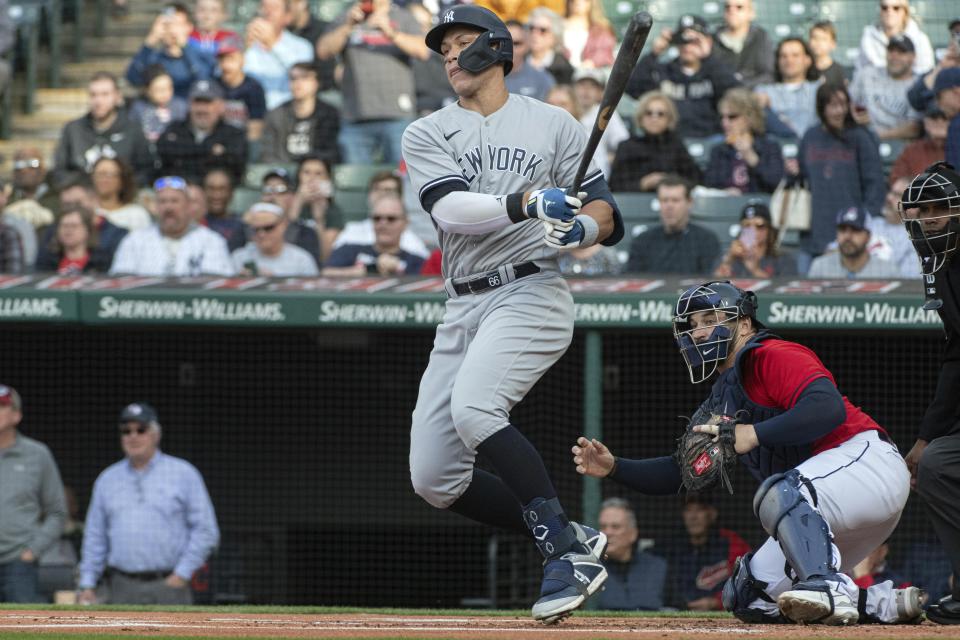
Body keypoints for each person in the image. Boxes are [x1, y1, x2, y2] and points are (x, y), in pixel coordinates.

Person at [402, 5, 623, 623]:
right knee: (435, 477)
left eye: (463, 41)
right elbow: (450, 209)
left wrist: (579, 226)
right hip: (462, 301)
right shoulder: (427, 131)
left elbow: (608, 212)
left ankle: (563, 555)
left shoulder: (553, 124)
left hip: (530, 292)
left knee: (476, 409)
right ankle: (572, 534)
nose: (450, 54)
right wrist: (527, 201)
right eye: (442, 45)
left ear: (498, 49)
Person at [571, 281, 923, 625]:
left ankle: (827, 585)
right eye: (692, 326)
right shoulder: (721, 399)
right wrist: (615, 467)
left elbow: (826, 408)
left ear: (743, 323)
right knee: (746, 595)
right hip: (825, 517)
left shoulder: (771, 354)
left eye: (710, 320)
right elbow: (684, 472)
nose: (699, 332)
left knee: (778, 490)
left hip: (868, 467)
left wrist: (751, 433)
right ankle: (877, 602)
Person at [77, 402, 220, 605]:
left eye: (140, 429)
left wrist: (182, 574)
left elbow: (206, 531)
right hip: (121, 587)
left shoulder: (183, 473)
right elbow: (95, 536)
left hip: (169, 586)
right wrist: (87, 583)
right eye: (126, 431)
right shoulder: (107, 479)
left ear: (156, 434)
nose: (133, 436)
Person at [898, 162, 960, 624]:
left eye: (941, 208)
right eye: (922, 210)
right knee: (937, 466)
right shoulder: (938, 263)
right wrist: (926, 436)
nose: (931, 218)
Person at [789, 83, 885, 274]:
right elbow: (802, 179)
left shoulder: (860, 137)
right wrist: (792, 172)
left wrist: (863, 225)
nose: (839, 111)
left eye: (843, 104)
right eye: (832, 105)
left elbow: (875, 183)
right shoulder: (810, 137)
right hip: (813, 233)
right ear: (821, 107)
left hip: (851, 233)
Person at [317, 0, 428, 164]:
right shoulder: (347, 16)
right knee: (357, 183)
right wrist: (348, 26)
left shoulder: (402, 16)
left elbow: (423, 51)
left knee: (404, 179)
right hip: (356, 116)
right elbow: (323, 51)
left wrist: (391, 33)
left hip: (397, 115)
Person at [0, 385, 67, 603]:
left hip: (18, 564)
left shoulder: (37, 455)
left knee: (22, 633)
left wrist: (32, 551)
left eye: (2, 406)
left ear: (16, 415)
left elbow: (57, 512)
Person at [626, 14, 740, 138]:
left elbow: (735, 94)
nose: (687, 46)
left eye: (695, 41)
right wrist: (654, 53)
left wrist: (708, 57)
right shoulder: (665, 70)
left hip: (711, 138)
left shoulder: (715, 69)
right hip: (673, 142)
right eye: (683, 40)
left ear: (708, 42)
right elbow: (633, 88)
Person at [110, 176, 234, 276]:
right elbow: (121, 283)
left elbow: (218, 286)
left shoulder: (211, 241)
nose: (168, 207)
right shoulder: (135, 240)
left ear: (188, 206)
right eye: (163, 201)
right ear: (156, 207)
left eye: (174, 201)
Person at [52, 72, 155, 189]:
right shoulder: (73, 130)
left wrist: (121, 189)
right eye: (93, 95)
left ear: (117, 96)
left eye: (105, 94)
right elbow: (59, 171)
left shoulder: (133, 130)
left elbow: (146, 171)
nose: (98, 101)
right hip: (82, 197)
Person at [657, 495, 750, 612]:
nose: (693, 517)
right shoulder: (671, 546)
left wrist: (716, 602)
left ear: (712, 514)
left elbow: (747, 581)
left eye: (700, 509)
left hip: (720, 615)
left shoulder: (730, 541)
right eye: (688, 510)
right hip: (679, 614)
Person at [156, 79, 248, 184]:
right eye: (197, 102)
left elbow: (235, 165)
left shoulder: (233, 134)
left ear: (221, 106)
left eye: (207, 103)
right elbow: (163, 156)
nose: (202, 109)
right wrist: (211, 151)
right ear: (189, 104)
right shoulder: (174, 129)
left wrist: (185, 152)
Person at [608, 92, 702, 193]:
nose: (654, 118)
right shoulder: (626, 147)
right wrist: (642, 184)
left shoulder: (676, 146)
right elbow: (614, 186)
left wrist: (669, 181)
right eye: (649, 113)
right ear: (641, 117)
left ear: (669, 119)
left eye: (660, 114)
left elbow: (695, 180)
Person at [626, 177, 720, 274]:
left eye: (675, 200)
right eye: (664, 200)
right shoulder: (642, 241)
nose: (669, 206)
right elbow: (632, 280)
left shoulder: (706, 239)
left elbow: (710, 282)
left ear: (689, 202)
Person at [587, 498, 667, 611]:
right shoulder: (588, 568)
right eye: (603, 527)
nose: (608, 532)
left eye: (615, 527)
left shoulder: (657, 567)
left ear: (633, 534)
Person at [126, 3, 215, 99]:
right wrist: (151, 40)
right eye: (167, 25)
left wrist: (184, 46)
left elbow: (204, 81)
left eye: (176, 24)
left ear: (189, 27)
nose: (171, 29)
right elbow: (133, 78)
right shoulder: (153, 58)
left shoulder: (202, 55)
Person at [704, 88, 783, 194]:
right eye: (722, 117)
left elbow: (776, 183)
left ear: (749, 117)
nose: (725, 123)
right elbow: (709, 185)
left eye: (732, 117)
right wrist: (724, 192)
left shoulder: (769, 147)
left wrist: (751, 156)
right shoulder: (719, 151)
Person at [322, 196, 424, 276]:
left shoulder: (417, 262)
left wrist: (398, 270)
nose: (383, 223)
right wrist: (371, 269)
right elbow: (326, 274)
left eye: (391, 218)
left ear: (405, 223)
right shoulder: (348, 250)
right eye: (377, 218)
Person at [260, 62, 340, 163]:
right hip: (283, 172)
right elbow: (268, 154)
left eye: (304, 78)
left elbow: (331, 152)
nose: (298, 83)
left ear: (317, 83)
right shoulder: (275, 115)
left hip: (316, 171)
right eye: (293, 78)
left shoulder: (330, 114)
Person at [243, 0, 315, 111]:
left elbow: (302, 74)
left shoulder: (302, 46)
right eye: (264, 6)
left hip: (285, 114)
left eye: (274, 7)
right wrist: (244, 49)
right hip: (250, 112)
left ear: (287, 17)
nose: (267, 12)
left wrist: (273, 45)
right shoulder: (247, 45)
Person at [849, 35, 922, 141]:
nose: (894, 56)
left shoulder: (918, 85)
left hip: (900, 145)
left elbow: (914, 128)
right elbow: (849, 100)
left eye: (901, 52)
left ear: (912, 57)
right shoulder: (867, 74)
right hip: (864, 141)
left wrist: (876, 136)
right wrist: (853, 113)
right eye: (891, 51)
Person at [754, 38, 821, 140]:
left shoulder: (819, 90)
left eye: (795, 55)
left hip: (813, 148)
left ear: (807, 60)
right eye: (783, 56)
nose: (789, 60)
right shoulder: (763, 91)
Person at [807, 207, 901, 279]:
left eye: (855, 230)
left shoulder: (888, 271)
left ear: (868, 236)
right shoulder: (820, 267)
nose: (848, 236)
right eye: (843, 230)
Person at [232, 202, 319, 276]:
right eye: (256, 229)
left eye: (268, 228)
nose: (261, 234)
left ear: (283, 226)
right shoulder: (239, 257)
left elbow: (313, 293)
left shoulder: (301, 260)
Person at [714, 201, 795, 278]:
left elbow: (786, 290)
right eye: (747, 225)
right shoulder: (729, 256)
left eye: (759, 225)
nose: (753, 230)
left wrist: (755, 270)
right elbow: (712, 288)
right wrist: (729, 259)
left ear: (769, 230)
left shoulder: (783, 259)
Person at [259, 168, 322, 265]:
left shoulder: (306, 233)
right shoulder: (247, 228)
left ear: (291, 196)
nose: (272, 196)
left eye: (280, 190)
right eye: (267, 190)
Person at [574, 70, 629, 180]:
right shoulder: (564, 110)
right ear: (573, 89)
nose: (586, 90)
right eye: (582, 85)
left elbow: (623, 144)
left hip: (597, 177)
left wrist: (610, 158)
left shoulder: (606, 113)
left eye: (592, 86)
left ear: (600, 92)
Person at [289, 155, 344, 262]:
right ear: (298, 176)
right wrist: (297, 203)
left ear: (327, 179)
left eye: (318, 173)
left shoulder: (333, 210)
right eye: (306, 172)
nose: (311, 178)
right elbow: (282, 243)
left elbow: (325, 256)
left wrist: (319, 219)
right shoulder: (287, 201)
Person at [856, 0, 934, 76]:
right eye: (884, 7)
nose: (890, 12)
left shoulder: (920, 39)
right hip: (875, 86)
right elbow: (860, 71)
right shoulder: (868, 37)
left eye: (896, 8)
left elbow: (926, 73)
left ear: (905, 11)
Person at [214, 35, 267, 143]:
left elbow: (255, 127)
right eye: (222, 59)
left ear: (242, 60)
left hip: (242, 143)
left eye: (231, 58)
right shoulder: (213, 86)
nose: (226, 65)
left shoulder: (253, 88)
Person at [711, 0, 773, 89]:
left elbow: (768, 75)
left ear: (751, 13)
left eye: (739, 7)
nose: (732, 11)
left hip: (752, 95)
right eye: (727, 7)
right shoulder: (712, 40)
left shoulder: (761, 37)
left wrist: (741, 85)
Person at [35, 205, 113, 274]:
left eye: (74, 226)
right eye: (64, 226)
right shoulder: (46, 261)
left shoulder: (102, 262)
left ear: (88, 230)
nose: (68, 230)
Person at [128, 66, 190, 147]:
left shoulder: (180, 107)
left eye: (169, 88)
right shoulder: (138, 108)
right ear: (147, 90)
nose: (165, 93)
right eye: (159, 90)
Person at [890, 103, 950, 184]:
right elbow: (896, 179)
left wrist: (947, 191)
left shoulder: (956, 148)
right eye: (934, 118)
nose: (939, 122)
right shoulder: (912, 150)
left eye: (944, 118)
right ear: (925, 123)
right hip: (918, 194)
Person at [91, 158, 152, 231]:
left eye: (109, 175)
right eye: (99, 174)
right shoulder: (87, 213)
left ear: (122, 180)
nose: (103, 179)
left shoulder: (137, 214)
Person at [288, 0, 336, 91]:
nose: (286, 9)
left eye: (289, 4)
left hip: (325, 90)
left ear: (301, 3)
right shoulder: (284, 32)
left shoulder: (324, 29)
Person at [504, 21, 554, 102]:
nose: (510, 48)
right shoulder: (485, 77)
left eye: (516, 43)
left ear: (527, 46)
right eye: (505, 43)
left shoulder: (543, 80)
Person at [526, 8, 573, 85]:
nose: (534, 34)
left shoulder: (564, 68)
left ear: (555, 37)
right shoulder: (517, 60)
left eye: (542, 30)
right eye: (532, 28)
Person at [202, 168, 245, 252]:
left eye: (222, 189)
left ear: (231, 193)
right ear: (203, 191)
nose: (216, 195)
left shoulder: (242, 225)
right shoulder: (195, 223)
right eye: (211, 188)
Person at [562, 0, 614, 70]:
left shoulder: (601, 29)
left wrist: (592, 62)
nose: (578, 2)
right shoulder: (556, 25)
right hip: (562, 73)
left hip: (591, 74)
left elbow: (605, 52)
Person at [808, 21, 845, 88]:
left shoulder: (838, 71)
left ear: (833, 44)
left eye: (823, 39)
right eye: (814, 38)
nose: (818, 42)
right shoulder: (804, 69)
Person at [937, 69, 960, 170]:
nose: (938, 104)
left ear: (956, 92)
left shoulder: (956, 125)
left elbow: (956, 175)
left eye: (939, 97)